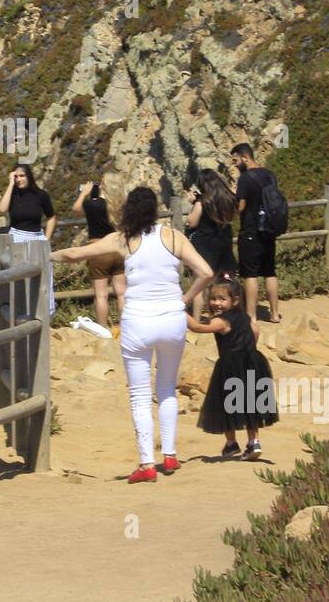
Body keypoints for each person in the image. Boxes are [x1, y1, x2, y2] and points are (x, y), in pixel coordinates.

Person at [52, 186, 214, 483]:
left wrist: (44, 255)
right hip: (171, 320)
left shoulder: (122, 239)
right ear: (154, 209)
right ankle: (170, 454)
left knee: (140, 395)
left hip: (138, 322)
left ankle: (146, 464)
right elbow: (205, 272)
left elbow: (75, 254)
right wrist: (184, 300)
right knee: (166, 388)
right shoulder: (174, 236)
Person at [188, 275, 278, 460]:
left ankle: (231, 443)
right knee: (250, 403)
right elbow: (255, 331)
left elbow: (198, 327)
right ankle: (253, 442)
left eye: (222, 299)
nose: (216, 303)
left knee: (225, 404)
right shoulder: (245, 317)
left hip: (230, 365)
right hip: (253, 361)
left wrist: (177, 312)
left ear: (235, 300)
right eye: (213, 298)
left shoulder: (222, 321)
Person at [230, 143, 282, 323]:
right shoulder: (270, 174)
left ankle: (251, 316)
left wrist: (234, 196)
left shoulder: (245, 178)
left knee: (250, 274)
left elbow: (241, 206)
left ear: (245, 157)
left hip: (251, 230)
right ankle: (274, 314)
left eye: (236, 160)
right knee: (269, 271)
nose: (235, 165)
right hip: (269, 229)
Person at [0, 163, 56, 315]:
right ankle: (19, 313)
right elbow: (2, 209)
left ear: (29, 176)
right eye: (16, 176)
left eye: (22, 176)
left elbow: (51, 217)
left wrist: (46, 239)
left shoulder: (41, 195)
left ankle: (43, 313)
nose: (19, 179)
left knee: (43, 276)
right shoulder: (13, 194)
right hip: (16, 237)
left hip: (37, 239)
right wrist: (10, 184)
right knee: (19, 278)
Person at [72, 182, 125, 330]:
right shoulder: (120, 205)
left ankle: (103, 328)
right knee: (121, 293)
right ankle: (124, 327)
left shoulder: (93, 204)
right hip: (118, 249)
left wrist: (84, 193)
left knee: (101, 295)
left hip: (98, 249)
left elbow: (75, 209)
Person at [185, 168, 237, 318]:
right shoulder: (228, 198)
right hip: (224, 242)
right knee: (222, 281)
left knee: (199, 285)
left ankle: (197, 319)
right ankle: (224, 315)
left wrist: (193, 203)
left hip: (205, 245)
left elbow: (192, 222)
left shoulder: (202, 202)